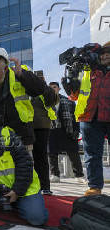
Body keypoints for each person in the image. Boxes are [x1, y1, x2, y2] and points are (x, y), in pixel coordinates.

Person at [0, 47, 57, 150]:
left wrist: (22, 75)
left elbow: (40, 90)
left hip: (21, 139)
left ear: (5, 68)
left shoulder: (20, 75)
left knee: (24, 166)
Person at [68, 41, 110, 196]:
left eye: (108, 53)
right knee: (92, 155)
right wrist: (70, 84)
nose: (105, 56)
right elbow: (74, 96)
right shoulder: (86, 71)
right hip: (90, 117)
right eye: (102, 53)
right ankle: (95, 187)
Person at [48, 82, 85, 183]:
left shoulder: (68, 101)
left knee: (73, 153)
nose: (52, 89)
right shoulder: (45, 102)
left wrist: (77, 130)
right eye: (50, 88)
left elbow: (75, 116)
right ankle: (55, 175)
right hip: (52, 130)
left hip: (67, 129)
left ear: (59, 89)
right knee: (52, 154)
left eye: (54, 87)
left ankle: (79, 176)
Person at [31, 73, 59, 195]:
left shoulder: (46, 90)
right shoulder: (27, 89)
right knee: (27, 157)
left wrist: (43, 85)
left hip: (41, 127)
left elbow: (54, 100)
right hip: (26, 127)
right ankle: (31, 185)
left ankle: (44, 186)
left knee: (40, 156)